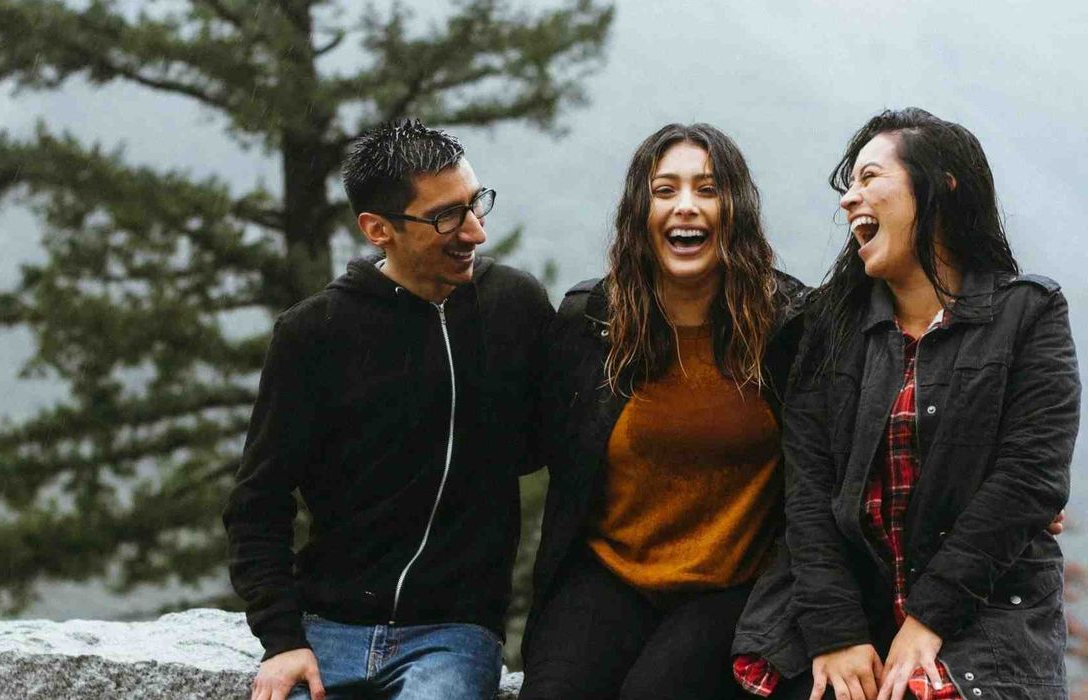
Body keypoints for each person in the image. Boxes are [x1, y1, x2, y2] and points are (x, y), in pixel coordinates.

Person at [223, 119, 553, 700]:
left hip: (452, 635)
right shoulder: (314, 334)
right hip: (324, 630)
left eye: (476, 204)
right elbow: (258, 504)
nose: (474, 231)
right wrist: (282, 639)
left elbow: (562, 441)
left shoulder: (515, 307)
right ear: (378, 229)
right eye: (446, 216)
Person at [765, 107, 1079, 700]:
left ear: (941, 185)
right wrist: (835, 632)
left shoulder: (1029, 314)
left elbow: (1031, 478)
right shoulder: (824, 329)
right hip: (855, 620)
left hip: (989, 624)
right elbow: (807, 493)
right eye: (848, 185)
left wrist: (928, 620)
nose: (848, 200)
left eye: (869, 178)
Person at [518, 122, 808, 700]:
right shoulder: (591, 322)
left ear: (736, 209)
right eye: (665, 189)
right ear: (639, 211)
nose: (686, 207)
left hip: (732, 588)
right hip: (609, 576)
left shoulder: (788, 327)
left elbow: (866, 427)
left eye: (707, 189)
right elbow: (520, 440)